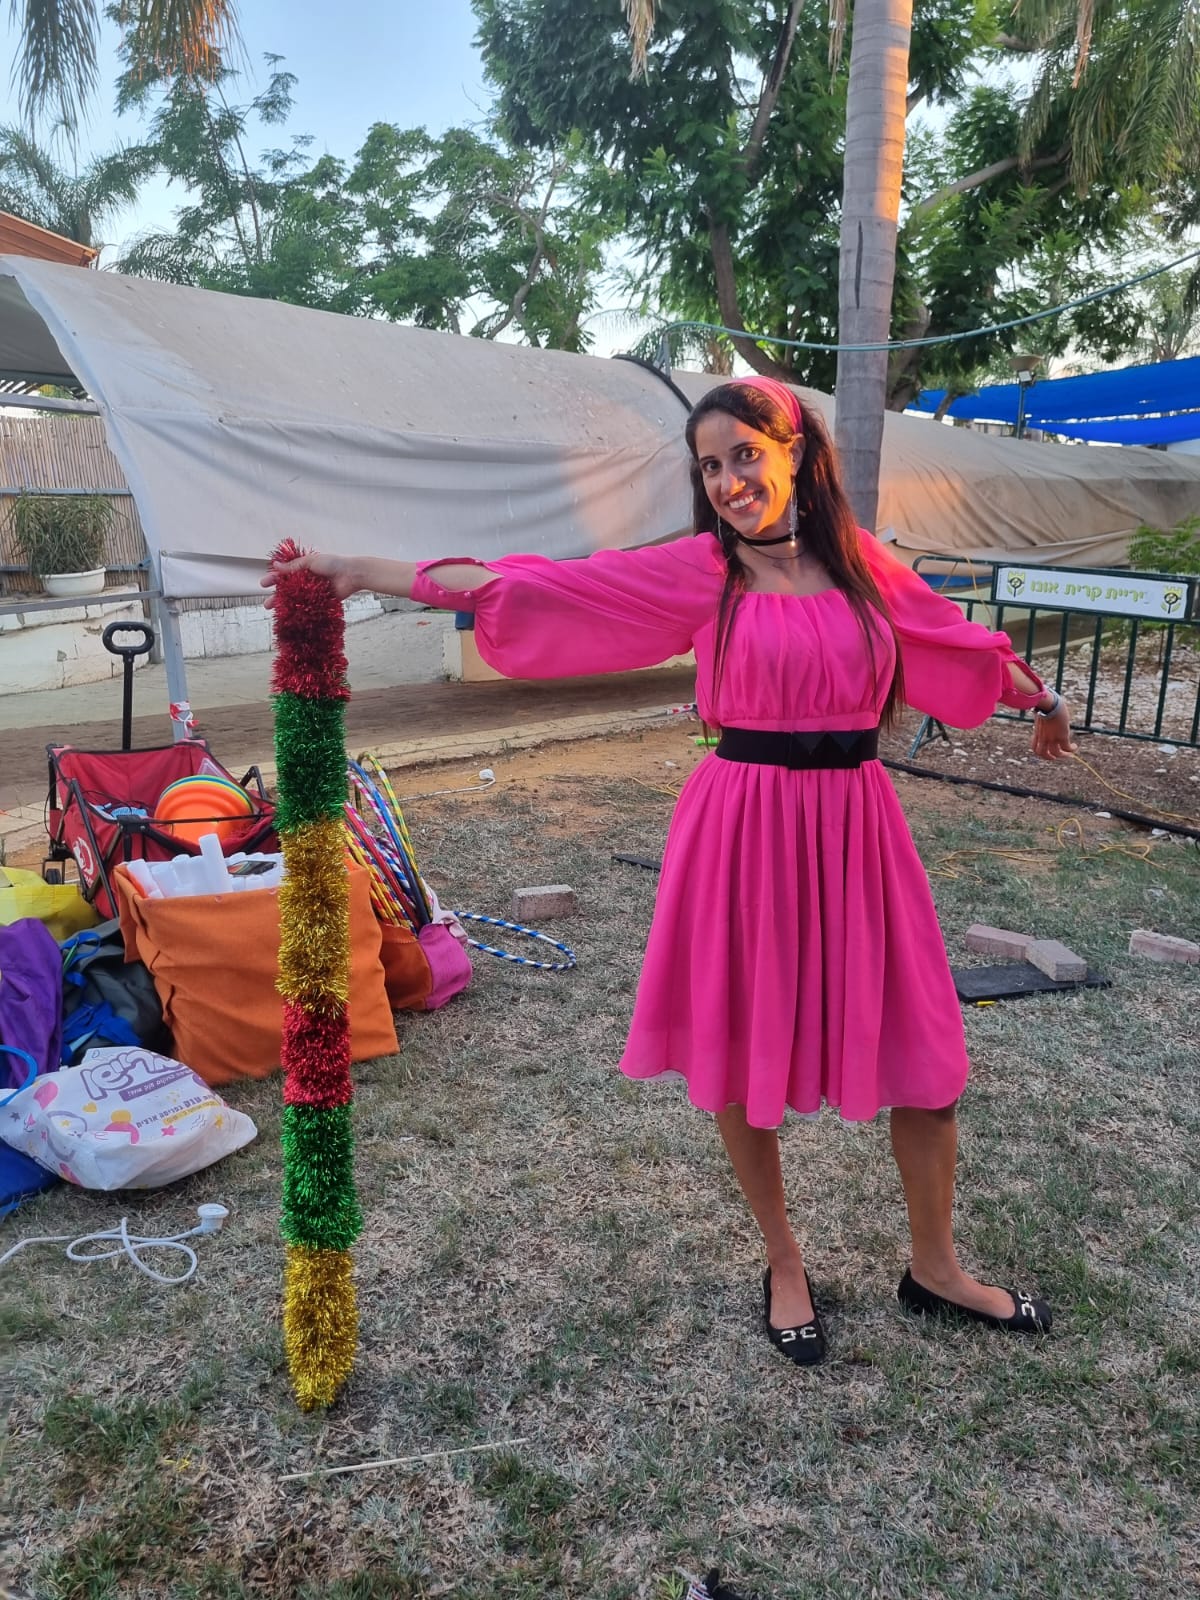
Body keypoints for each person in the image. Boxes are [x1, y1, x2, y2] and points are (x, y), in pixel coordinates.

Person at [264, 376, 1073, 1367]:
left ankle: (937, 1269)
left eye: (746, 455)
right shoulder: (704, 571)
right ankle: (783, 1261)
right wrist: (357, 569)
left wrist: (1041, 698)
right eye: (710, 466)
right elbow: (525, 584)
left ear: (795, 452)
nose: (729, 481)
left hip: (858, 826)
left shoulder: (861, 563)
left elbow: (953, 637)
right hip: (743, 830)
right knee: (739, 1042)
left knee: (929, 1053)